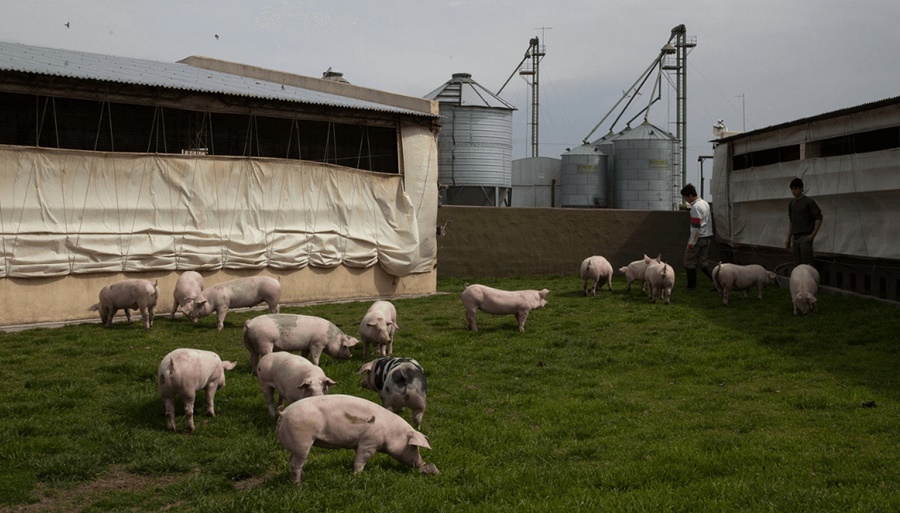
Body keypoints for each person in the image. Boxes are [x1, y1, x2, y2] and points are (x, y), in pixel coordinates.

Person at [680, 183, 714, 289]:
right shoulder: (705, 203)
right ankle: (718, 281)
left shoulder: (695, 207)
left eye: (685, 197)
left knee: (689, 261)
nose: (686, 200)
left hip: (698, 238)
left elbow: (696, 226)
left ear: (690, 195)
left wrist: (691, 243)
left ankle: (691, 286)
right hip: (707, 236)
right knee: (703, 262)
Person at [785, 177, 823, 266]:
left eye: (795, 189)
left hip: (805, 236)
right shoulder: (791, 204)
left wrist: (813, 234)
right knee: (796, 263)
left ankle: (809, 278)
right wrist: (788, 238)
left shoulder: (808, 202)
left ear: (801, 189)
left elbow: (819, 218)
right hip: (795, 237)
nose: (793, 191)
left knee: (807, 262)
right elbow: (791, 221)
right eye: (792, 189)